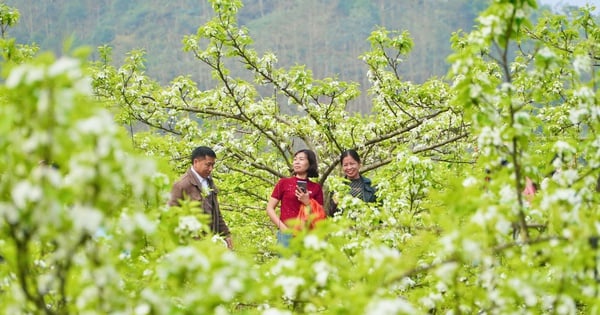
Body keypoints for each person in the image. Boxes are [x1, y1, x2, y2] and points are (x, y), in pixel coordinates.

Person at [168, 146, 233, 249]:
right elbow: (171, 217)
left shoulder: (209, 182)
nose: (211, 169)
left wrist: (226, 234)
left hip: (211, 244)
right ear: (196, 162)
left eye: (213, 165)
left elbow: (216, 212)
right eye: (208, 165)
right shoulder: (182, 185)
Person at [266, 149, 324, 247]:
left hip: (307, 235)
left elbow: (320, 215)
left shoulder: (316, 188)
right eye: (295, 159)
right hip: (286, 234)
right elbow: (269, 208)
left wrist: (307, 202)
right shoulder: (283, 183)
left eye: (301, 159)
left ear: (310, 163)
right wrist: (282, 228)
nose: (297, 162)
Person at [329, 149, 377, 216]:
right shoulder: (337, 188)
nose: (349, 167)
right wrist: (334, 204)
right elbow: (330, 215)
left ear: (359, 164)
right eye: (345, 165)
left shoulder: (370, 186)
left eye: (352, 164)